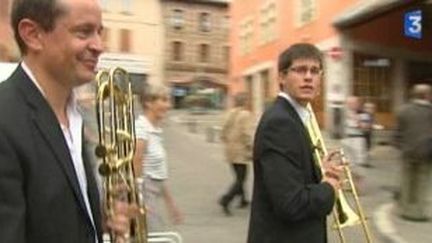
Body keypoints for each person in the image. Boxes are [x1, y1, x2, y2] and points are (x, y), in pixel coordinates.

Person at [0, 0, 137, 242]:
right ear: (32, 35)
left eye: (99, 32)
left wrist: (98, 218)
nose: (99, 46)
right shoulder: (5, 118)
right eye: (84, 32)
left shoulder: (74, 116)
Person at [247, 43, 343, 243]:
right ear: (281, 78)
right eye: (300, 70)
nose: (308, 77)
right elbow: (291, 204)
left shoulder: (294, 115)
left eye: (315, 71)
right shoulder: (280, 122)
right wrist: (330, 187)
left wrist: (319, 170)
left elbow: (293, 173)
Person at [132, 83, 183, 232]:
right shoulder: (141, 128)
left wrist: (170, 204)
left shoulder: (154, 130)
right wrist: (139, 202)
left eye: (168, 100)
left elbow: (157, 173)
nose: (168, 105)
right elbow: (136, 165)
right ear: (148, 102)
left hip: (152, 194)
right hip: (144, 196)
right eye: (164, 100)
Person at [394, 84, 432, 221]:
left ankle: (405, 210)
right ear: (427, 95)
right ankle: (418, 212)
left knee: (407, 182)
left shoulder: (403, 110)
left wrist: (401, 146)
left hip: (408, 152)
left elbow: (397, 133)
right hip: (426, 153)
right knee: (422, 182)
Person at [219, 92, 254, 216]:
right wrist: (251, 148)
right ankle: (226, 200)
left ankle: (244, 200)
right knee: (241, 178)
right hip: (240, 151)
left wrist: (228, 142)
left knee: (239, 175)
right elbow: (247, 134)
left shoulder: (229, 113)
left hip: (230, 150)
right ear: (244, 102)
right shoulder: (245, 115)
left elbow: (222, 132)